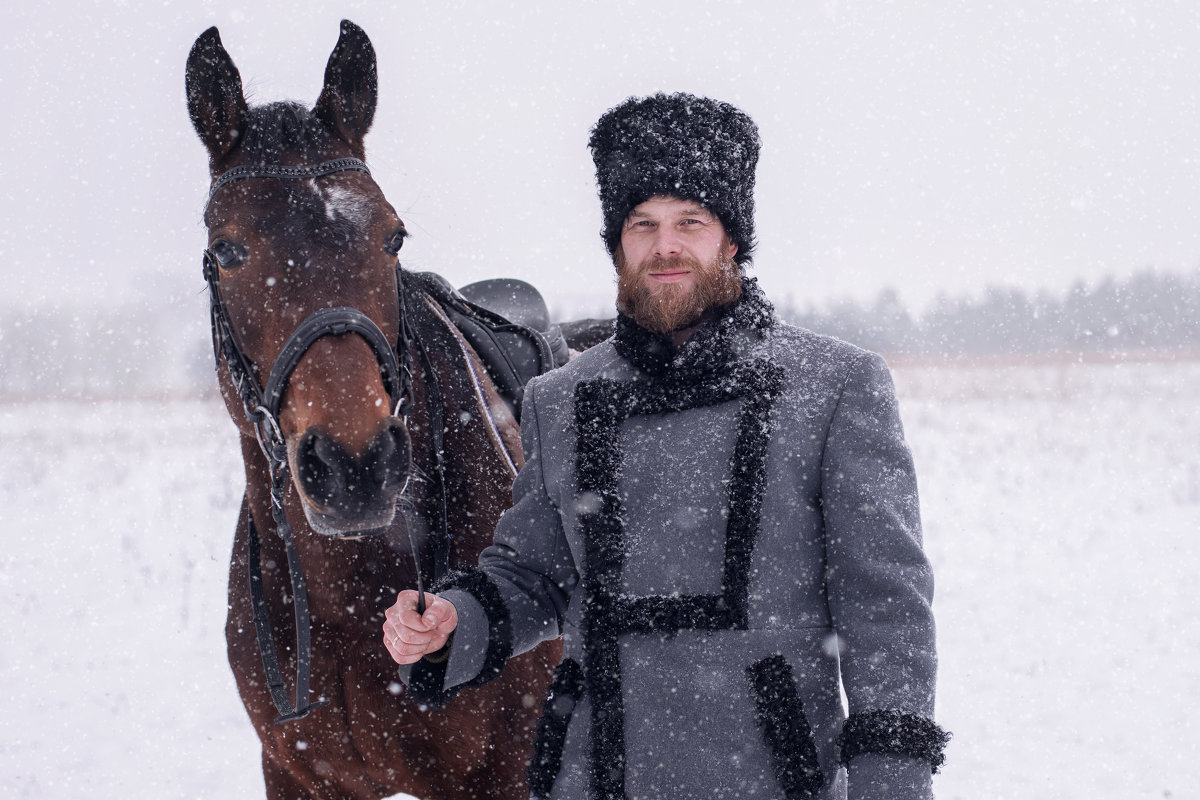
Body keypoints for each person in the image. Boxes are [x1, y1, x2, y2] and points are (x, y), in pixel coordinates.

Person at [383, 92, 948, 800]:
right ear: (618, 244)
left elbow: (884, 606)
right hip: (596, 780)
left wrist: (892, 778)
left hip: (779, 780)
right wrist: (452, 624)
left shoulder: (835, 387)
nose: (666, 246)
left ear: (732, 240)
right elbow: (531, 576)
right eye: (642, 225)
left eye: (691, 221)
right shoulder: (559, 400)